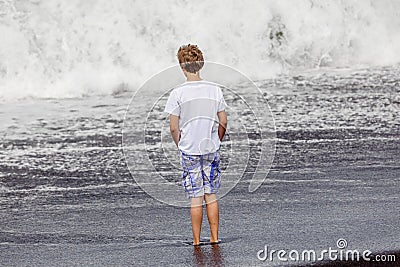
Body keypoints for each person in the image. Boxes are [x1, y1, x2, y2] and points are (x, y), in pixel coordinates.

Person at [164, 44, 227, 246]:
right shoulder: (214, 89)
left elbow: (174, 127)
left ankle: (196, 240)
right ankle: (215, 236)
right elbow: (223, 121)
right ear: (201, 64)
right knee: (211, 192)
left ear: (181, 66)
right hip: (210, 147)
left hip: (189, 149)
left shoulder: (178, 93)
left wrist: (179, 143)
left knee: (195, 196)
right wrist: (218, 139)